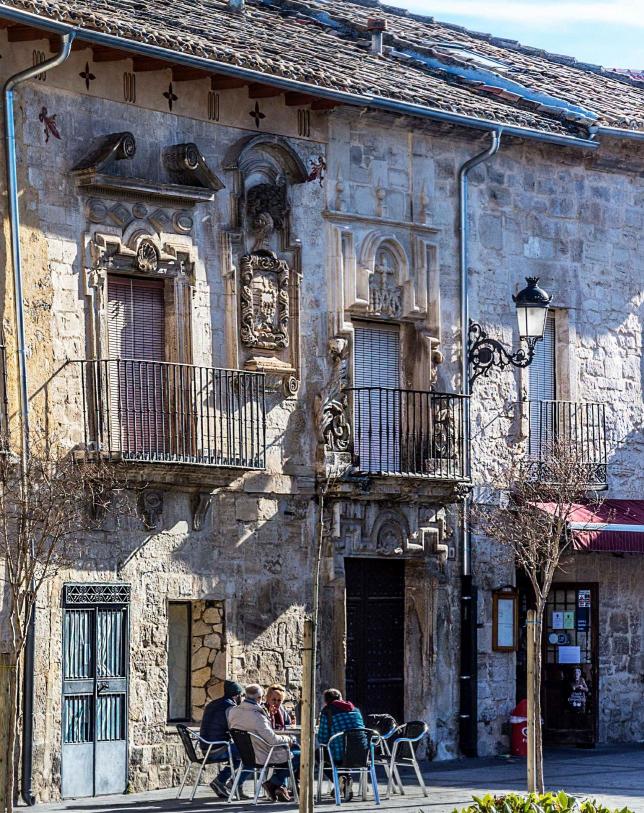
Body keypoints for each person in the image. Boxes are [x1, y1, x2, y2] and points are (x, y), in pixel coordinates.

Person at [228, 683, 300, 803]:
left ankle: (279, 787)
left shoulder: (233, 712)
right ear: (260, 698)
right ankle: (274, 783)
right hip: (264, 754)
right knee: (300, 755)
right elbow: (272, 740)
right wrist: (289, 739)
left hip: (246, 753)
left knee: (292, 751)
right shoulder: (258, 715)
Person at [199, 680, 251, 799]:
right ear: (237, 695)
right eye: (242, 695)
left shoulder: (213, 704)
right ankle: (232, 784)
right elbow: (236, 729)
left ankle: (221, 781)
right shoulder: (230, 707)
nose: (242, 698)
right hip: (217, 748)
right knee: (251, 753)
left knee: (240, 755)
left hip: (206, 746)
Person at [317, 688, 366, 801]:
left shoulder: (327, 711)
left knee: (319, 755)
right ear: (341, 698)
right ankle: (345, 782)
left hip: (340, 755)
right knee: (343, 750)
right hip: (361, 753)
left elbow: (322, 739)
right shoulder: (356, 710)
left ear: (326, 701)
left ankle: (341, 779)